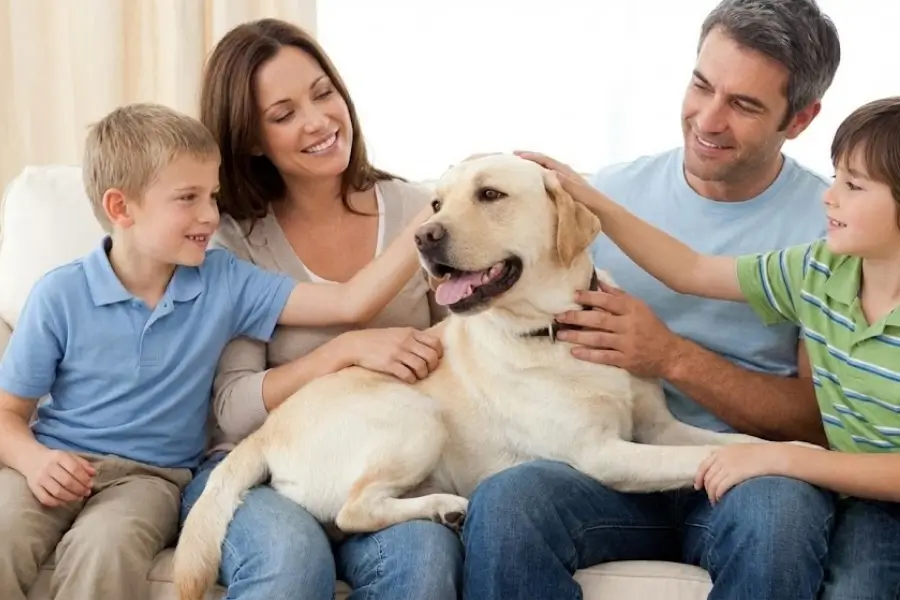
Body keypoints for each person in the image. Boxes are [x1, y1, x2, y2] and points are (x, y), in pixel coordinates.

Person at [462, 1, 843, 599]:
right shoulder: (602, 198)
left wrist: (671, 357)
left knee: (778, 516)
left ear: (799, 119)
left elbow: (817, 421)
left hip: (744, 477)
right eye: (702, 85)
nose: (708, 120)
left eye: (744, 105)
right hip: (607, 466)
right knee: (508, 504)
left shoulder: (834, 229)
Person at [0, 102, 431, 600]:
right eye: (188, 198)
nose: (210, 215)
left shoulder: (223, 280)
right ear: (121, 208)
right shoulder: (59, 295)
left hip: (148, 480)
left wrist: (436, 211)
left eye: (212, 195)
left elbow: (350, 302)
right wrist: (35, 461)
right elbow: (8, 414)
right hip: (51, 458)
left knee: (104, 549)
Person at [553, 95, 900, 600]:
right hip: (860, 497)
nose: (829, 197)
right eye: (835, 177)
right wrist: (591, 199)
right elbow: (690, 269)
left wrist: (784, 458)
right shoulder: (818, 269)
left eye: (854, 185)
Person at [177, 19, 463, 600]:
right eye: (284, 114)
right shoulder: (232, 240)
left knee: (426, 561)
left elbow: (465, 351)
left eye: (323, 93)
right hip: (259, 469)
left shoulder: (421, 207)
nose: (318, 121)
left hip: (378, 468)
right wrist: (344, 352)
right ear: (251, 139)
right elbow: (234, 409)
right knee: (291, 563)